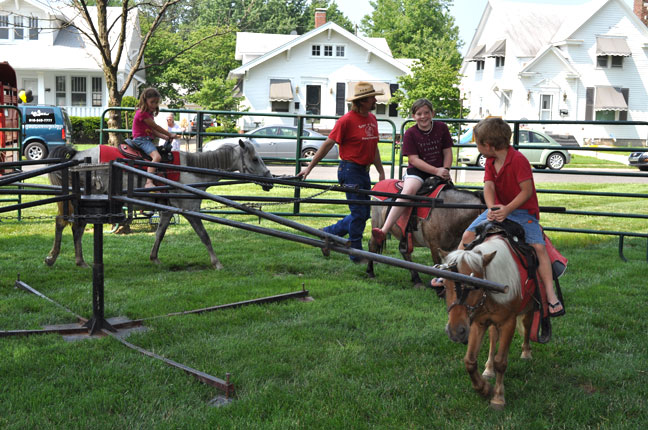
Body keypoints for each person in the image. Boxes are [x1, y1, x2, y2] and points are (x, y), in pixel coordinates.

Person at [457, 117, 565, 316]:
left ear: (488, 145)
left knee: (538, 247)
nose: (477, 147)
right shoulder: (490, 161)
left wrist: (507, 210)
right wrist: (492, 208)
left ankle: (550, 295)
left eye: (478, 143)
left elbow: (527, 191)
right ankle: (453, 272)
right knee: (466, 236)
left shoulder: (518, 160)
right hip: (498, 208)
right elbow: (488, 186)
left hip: (522, 211)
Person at [298, 81, 386, 263]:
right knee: (359, 213)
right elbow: (327, 144)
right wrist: (309, 167)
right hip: (349, 170)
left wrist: (380, 171)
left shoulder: (372, 119)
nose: (375, 100)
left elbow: (373, 147)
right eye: (372, 97)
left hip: (363, 171)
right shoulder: (346, 121)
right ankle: (356, 254)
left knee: (362, 213)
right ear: (362, 101)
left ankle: (328, 233)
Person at [371, 98, 453, 246]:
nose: (423, 116)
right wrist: (436, 170)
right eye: (419, 113)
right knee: (408, 192)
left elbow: (447, 151)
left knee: (453, 196)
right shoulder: (410, 133)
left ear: (432, 113)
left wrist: (446, 170)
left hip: (440, 170)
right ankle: (384, 229)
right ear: (414, 116)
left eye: (426, 112)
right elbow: (414, 160)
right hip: (418, 172)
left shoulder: (442, 128)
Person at [131, 88, 178, 188]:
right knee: (157, 157)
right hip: (141, 139)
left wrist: (164, 137)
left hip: (146, 139)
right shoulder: (142, 114)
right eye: (152, 102)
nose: (154, 105)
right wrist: (169, 134)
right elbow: (156, 127)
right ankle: (149, 182)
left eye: (156, 102)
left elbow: (153, 131)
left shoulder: (149, 114)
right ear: (145, 101)